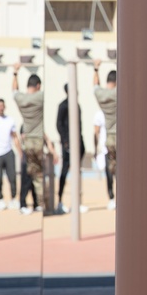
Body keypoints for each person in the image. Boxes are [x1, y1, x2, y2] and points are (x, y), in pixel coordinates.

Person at [12, 64, 47, 214]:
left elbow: (14, 91)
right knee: (39, 175)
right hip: (38, 139)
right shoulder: (39, 97)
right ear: (38, 85)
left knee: (29, 173)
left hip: (27, 141)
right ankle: (41, 203)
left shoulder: (21, 99)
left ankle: (28, 203)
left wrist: (15, 72)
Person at [56, 85, 86, 215]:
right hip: (68, 144)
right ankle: (60, 202)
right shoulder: (63, 105)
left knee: (77, 172)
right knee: (64, 171)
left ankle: (77, 202)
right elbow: (59, 124)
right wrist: (66, 140)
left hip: (78, 142)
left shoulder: (77, 105)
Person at [0, 99, 20, 211]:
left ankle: (14, 199)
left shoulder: (10, 120)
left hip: (8, 152)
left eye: (2, 105)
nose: (1, 108)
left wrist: (19, 151)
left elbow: (14, 136)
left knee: (12, 177)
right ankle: (0, 199)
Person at [93, 61, 117, 209]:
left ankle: (111, 197)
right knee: (123, 170)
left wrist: (96, 69)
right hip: (122, 137)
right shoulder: (119, 92)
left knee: (110, 169)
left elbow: (95, 86)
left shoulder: (102, 96)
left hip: (110, 138)